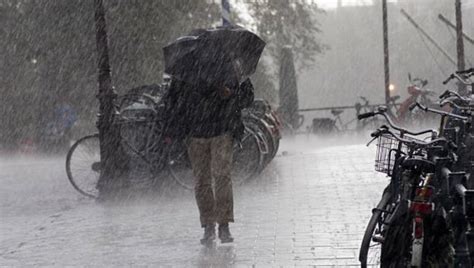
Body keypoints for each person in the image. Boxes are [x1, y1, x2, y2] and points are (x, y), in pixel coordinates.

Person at [163, 77, 254, 245]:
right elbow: (174, 100)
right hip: (196, 132)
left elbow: (247, 98)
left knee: (221, 177)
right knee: (203, 180)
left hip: (221, 130)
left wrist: (231, 94)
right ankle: (209, 225)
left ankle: (223, 224)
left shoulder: (228, 66)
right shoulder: (187, 71)